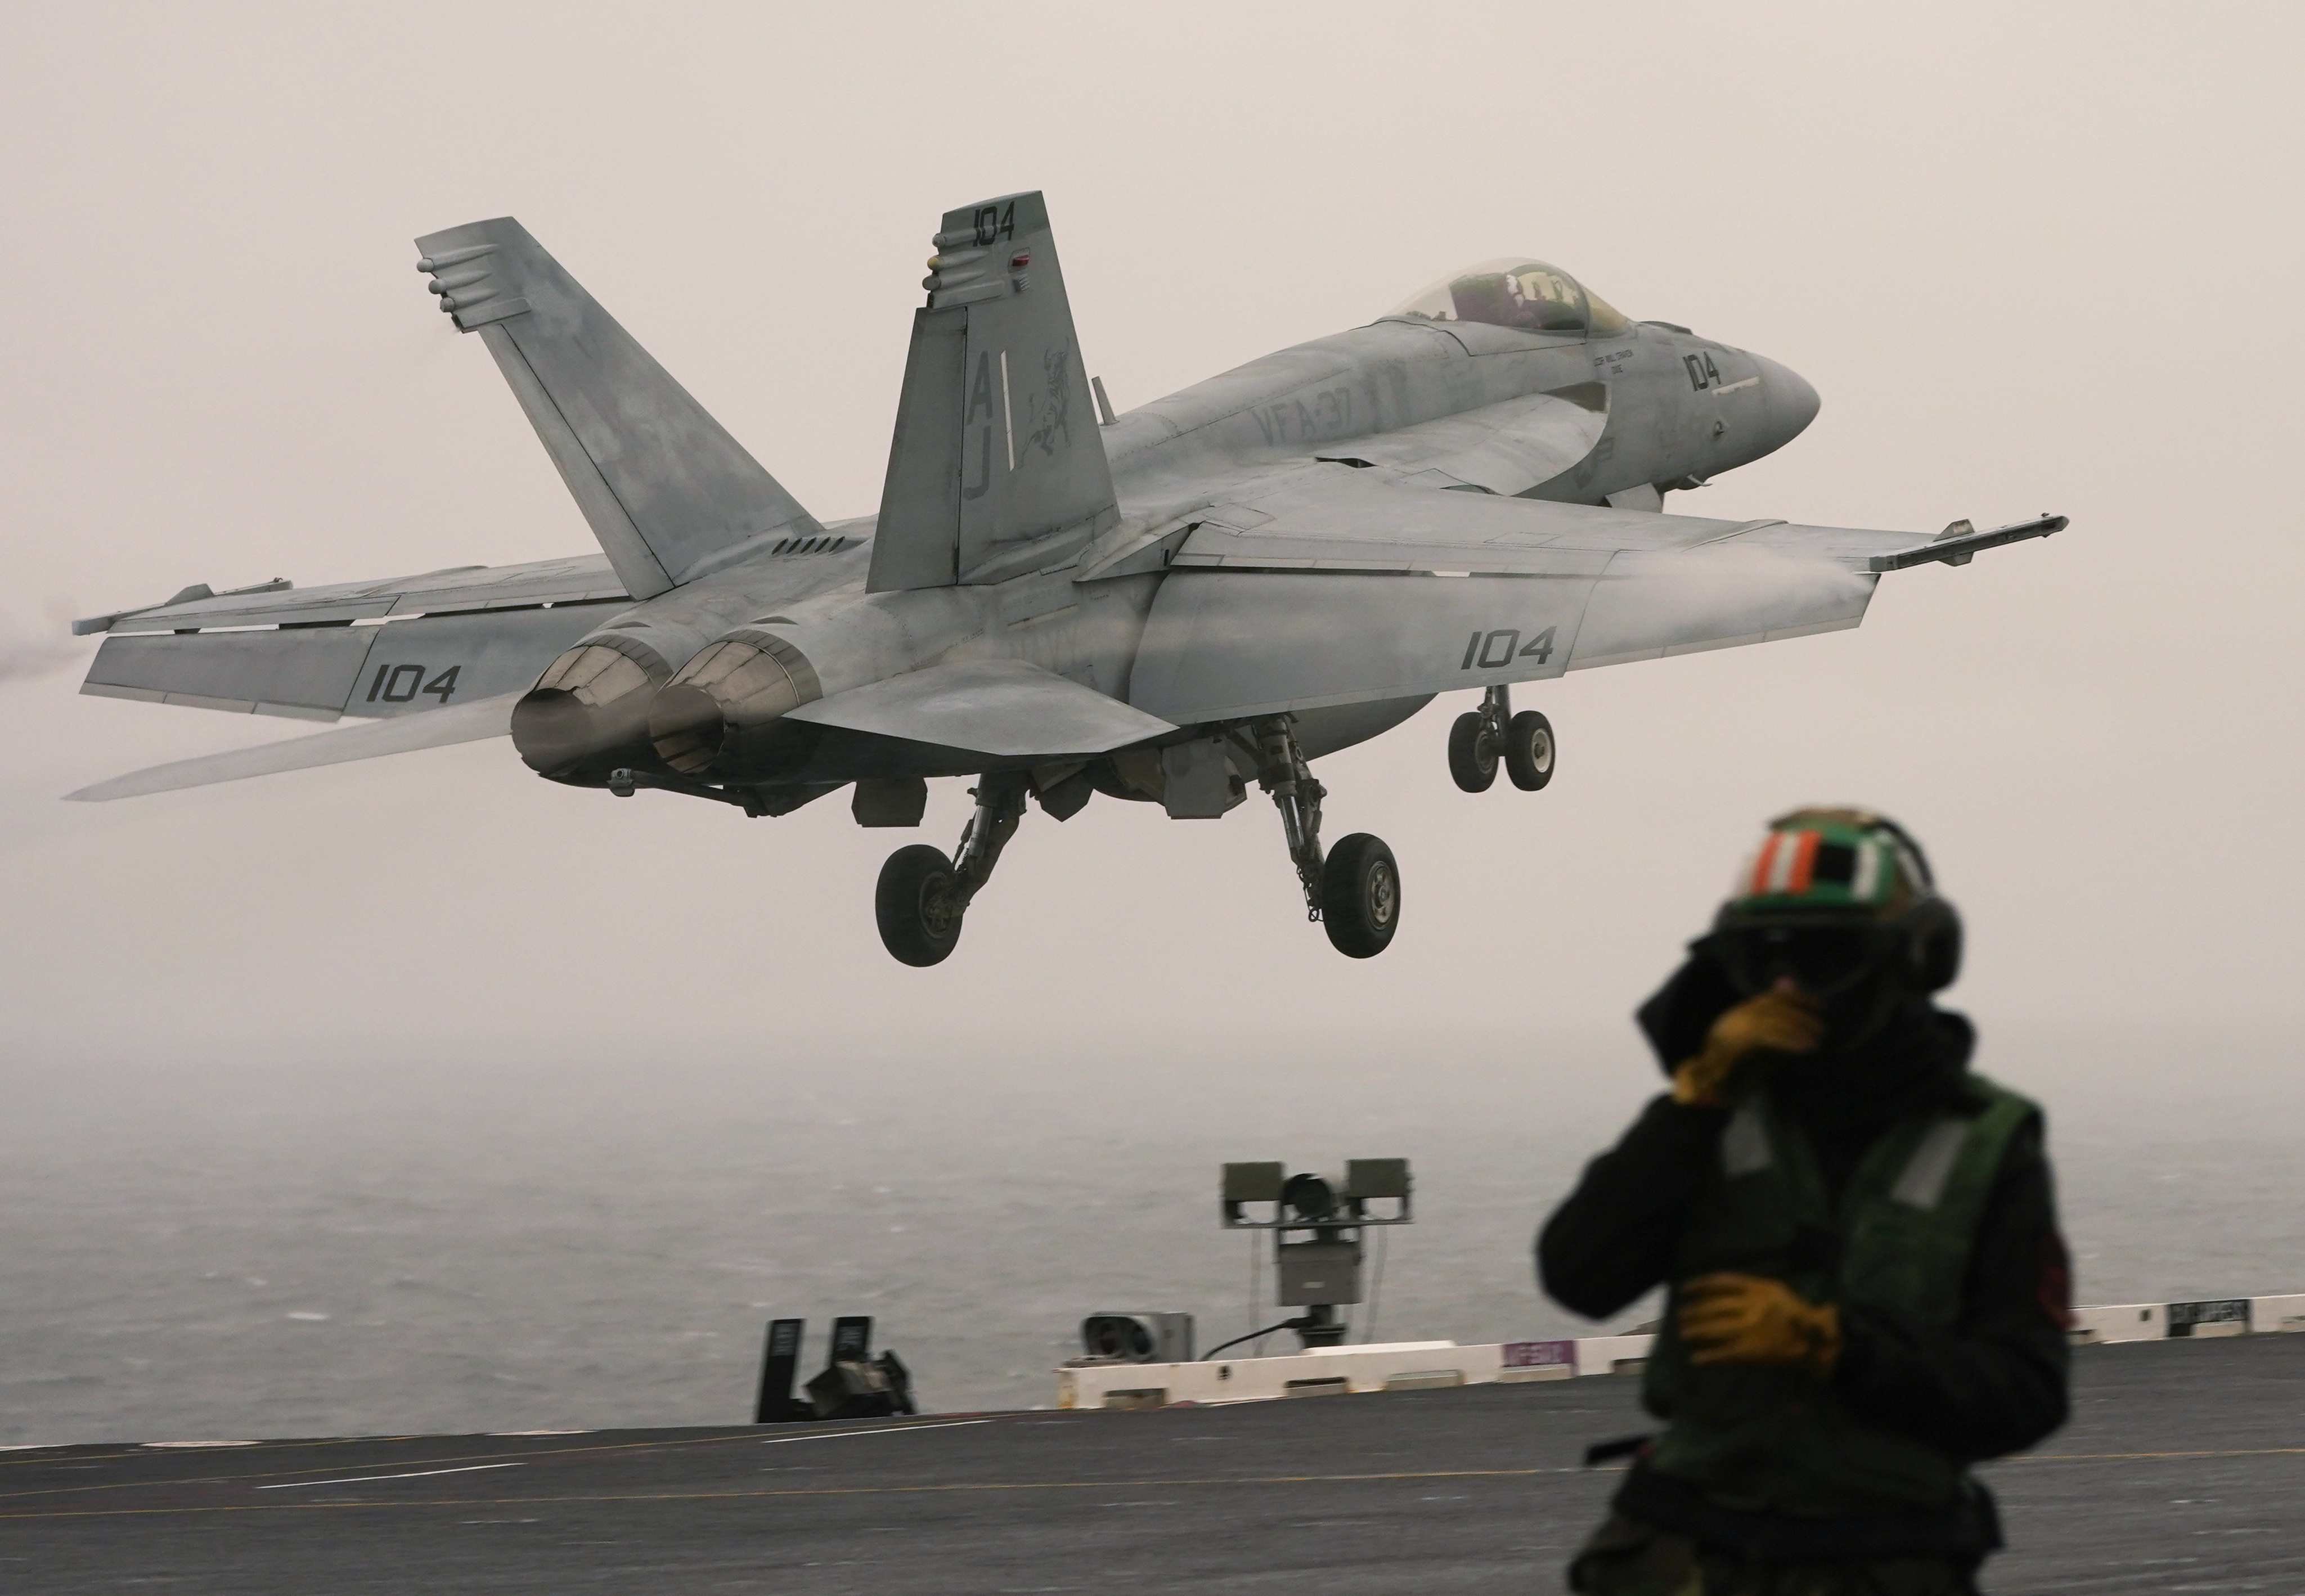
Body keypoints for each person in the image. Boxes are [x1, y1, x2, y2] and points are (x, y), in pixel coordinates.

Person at [1539, 808, 2072, 1595]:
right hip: (1689, 1548)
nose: (1786, 987)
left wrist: (1833, 1345)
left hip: (1878, 1559)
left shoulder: (1984, 1144)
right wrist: (1698, 1095)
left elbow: (2026, 1392)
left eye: (1823, 957)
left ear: (1910, 961)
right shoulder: (1711, 1113)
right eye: (1764, 960)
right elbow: (1578, 1275)